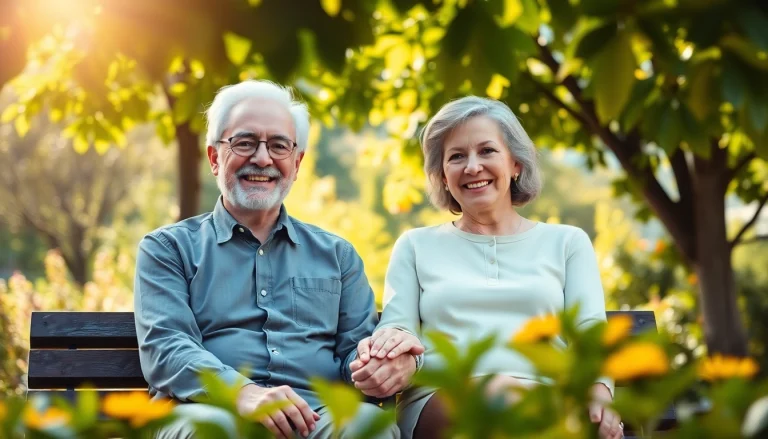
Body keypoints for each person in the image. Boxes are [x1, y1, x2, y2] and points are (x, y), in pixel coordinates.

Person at [133, 80, 411, 439]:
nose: (262, 158)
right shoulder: (167, 249)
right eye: (245, 142)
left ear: (296, 163)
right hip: (209, 412)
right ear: (215, 157)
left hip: (318, 417)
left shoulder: (338, 256)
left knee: (368, 429)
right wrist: (244, 394)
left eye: (279, 145)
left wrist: (375, 367)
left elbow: (353, 355)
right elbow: (167, 348)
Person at [349, 96, 623, 439]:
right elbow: (397, 327)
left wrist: (600, 394)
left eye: (487, 151)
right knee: (505, 400)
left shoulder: (567, 243)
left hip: (549, 404)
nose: (472, 167)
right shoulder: (416, 245)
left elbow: (590, 334)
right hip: (443, 403)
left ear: (515, 164)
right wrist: (387, 349)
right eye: (457, 157)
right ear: (443, 176)